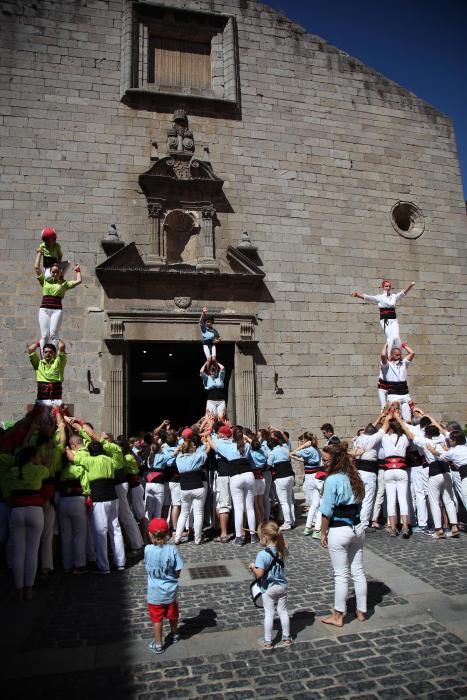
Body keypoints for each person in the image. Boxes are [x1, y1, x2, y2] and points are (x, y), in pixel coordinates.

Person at [319, 443, 367, 627]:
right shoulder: (355, 476)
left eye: (326, 460)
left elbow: (327, 511)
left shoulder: (332, 480)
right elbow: (361, 503)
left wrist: (323, 532)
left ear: (335, 461)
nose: (323, 463)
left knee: (340, 574)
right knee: (358, 570)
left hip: (339, 529)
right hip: (357, 527)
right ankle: (361, 611)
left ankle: (338, 615)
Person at [66, 440, 126, 574]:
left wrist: (67, 447)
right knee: (115, 529)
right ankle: (120, 562)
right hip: (113, 496)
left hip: (99, 498)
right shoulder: (110, 460)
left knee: (100, 532)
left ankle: (104, 566)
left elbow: (71, 457)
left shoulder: (89, 460)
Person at [6, 446, 50, 600]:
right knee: (32, 551)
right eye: (37, 456)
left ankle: (18, 590)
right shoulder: (38, 469)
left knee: (18, 552)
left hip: (17, 510)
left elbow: (7, 491)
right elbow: (48, 471)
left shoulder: (13, 471)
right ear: (32, 458)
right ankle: (29, 589)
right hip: (35, 510)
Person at [206, 426, 256, 545]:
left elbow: (214, 446)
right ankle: (253, 536)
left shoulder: (227, 447)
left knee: (238, 508)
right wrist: (246, 438)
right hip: (249, 475)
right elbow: (255, 444)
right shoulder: (246, 446)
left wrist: (208, 438)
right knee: (249, 507)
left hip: (236, 476)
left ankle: (239, 538)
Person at [248, 520, 292, 649]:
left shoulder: (262, 555)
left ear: (265, 538)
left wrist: (252, 567)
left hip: (268, 588)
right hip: (282, 586)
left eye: (260, 537)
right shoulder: (283, 550)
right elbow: (285, 544)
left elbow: (260, 574)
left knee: (269, 613)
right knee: (283, 612)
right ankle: (286, 638)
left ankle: (267, 641)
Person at [145, 517, 183, 654]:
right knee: (173, 615)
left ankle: (159, 643)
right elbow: (178, 568)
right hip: (170, 591)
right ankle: (175, 633)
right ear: (167, 534)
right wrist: (175, 576)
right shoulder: (172, 550)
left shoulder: (147, 550)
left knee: (157, 619)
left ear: (150, 534)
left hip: (155, 594)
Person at [351, 279, 415, 356]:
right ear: (383, 287)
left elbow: (403, 292)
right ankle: (389, 356)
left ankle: (398, 355)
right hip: (385, 320)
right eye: (386, 286)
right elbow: (368, 297)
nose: (388, 287)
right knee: (390, 338)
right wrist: (358, 295)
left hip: (394, 320)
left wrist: (411, 285)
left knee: (397, 338)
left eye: (389, 286)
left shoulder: (394, 296)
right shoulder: (380, 297)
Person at [34, 252, 81, 354]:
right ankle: (43, 358)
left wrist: (77, 270)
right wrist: (39, 254)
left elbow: (78, 281)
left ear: (60, 272)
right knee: (45, 335)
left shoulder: (64, 284)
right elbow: (37, 268)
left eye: (57, 272)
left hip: (56, 310)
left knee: (53, 334)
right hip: (44, 310)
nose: (55, 274)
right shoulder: (45, 281)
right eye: (53, 272)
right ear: (50, 273)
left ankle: (54, 356)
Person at [379, 410, 412, 537]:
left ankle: (393, 528)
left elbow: (383, 427)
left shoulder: (385, 438)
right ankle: (405, 527)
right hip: (401, 470)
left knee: (391, 500)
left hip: (388, 470)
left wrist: (387, 417)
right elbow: (409, 434)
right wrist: (399, 419)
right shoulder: (404, 438)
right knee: (403, 499)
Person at [173, 435, 209, 545]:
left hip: (184, 488)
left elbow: (176, 453)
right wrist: (206, 442)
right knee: (198, 513)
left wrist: (179, 449)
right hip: (197, 486)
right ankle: (197, 539)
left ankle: (177, 537)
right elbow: (206, 450)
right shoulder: (197, 456)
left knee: (184, 513)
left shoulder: (179, 458)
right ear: (191, 448)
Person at [290, 432, 322, 537]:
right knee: (314, 501)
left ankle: (316, 524)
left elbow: (294, 452)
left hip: (311, 477)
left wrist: (303, 446)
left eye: (303, 440)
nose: (302, 442)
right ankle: (314, 522)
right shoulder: (315, 449)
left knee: (313, 502)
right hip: (314, 475)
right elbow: (304, 459)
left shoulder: (308, 449)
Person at [380, 342, 415, 422]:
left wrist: (404, 345)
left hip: (405, 395)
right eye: (397, 355)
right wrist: (386, 344)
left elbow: (412, 353)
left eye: (400, 355)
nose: (399, 356)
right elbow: (383, 355)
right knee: (393, 417)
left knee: (408, 419)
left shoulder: (403, 364)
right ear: (391, 355)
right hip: (393, 395)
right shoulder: (387, 365)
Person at [267, 432, 295, 531]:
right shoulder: (285, 449)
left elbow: (268, 465)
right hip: (290, 475)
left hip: (281, 477)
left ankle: (287, 523)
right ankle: (292, 520)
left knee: (283, 502)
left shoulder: (273, 452)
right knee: (289, 500)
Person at [28, 339, 67, 406]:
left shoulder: (59, 363)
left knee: (60, 416)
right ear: (43, 353)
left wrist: (55, 338)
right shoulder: (38, 364)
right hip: (42, 400)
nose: (48, 354)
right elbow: (30, 350)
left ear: (54, 353)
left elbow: (62, 346)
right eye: (45, 352)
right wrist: (39, 343)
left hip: (56, 401)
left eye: (50, 352)